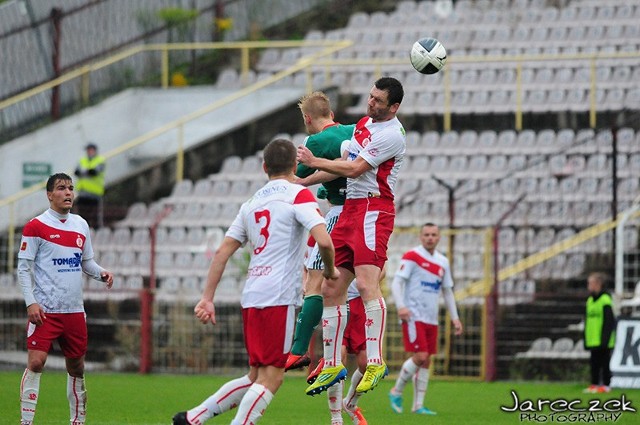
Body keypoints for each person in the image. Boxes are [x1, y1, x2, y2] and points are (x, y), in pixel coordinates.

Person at [172, 139, 338, 425]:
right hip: (278, 296)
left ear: (264, 167)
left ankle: (192, 418)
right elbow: (324, 239)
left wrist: (207, 298)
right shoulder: (298, 195)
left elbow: (223, 251)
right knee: (272, 378)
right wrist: (331, 270)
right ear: (294, 166)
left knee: (255, 375)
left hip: (252, 296)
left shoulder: (251, 203)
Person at [297, 77, 406, 396]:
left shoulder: (391, 135)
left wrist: (312, 161)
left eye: (378, 101)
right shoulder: (364, 124)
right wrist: (302, 181)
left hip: (374, 208)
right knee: (331, 286)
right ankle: (331, 363)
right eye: (370, 97)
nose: (370, 103)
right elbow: (342, 165)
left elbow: (357, 169)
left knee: (366, 283)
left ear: (394, 107)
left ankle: (376, 361)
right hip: (350, 210)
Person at [17, 172, 114, 425]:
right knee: (36, 362)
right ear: (50, 194)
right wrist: (31, 302)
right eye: (62, 188)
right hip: (45, 310)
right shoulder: (35, 226)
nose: (68, 192)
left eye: (71, 188)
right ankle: (26, 422)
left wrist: (101, 273)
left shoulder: (80, 224)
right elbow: (23, 268)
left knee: (77, 368)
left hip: (73, 311)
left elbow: (86, 262)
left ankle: (77, 421)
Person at [286, 91, 355, 371]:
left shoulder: (313, 142)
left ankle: (300, 350)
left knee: (315, 282)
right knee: (342, 289)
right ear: (333, 115)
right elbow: (344, 168)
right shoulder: (354, 130)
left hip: (340, 215)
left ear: (307, 118)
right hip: (365, 214)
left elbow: (293, 177)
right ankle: (332, 356)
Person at [388, 223, 463, 415]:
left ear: (439, 238)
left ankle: (418, 406)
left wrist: (455, 318)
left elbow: (447, 291)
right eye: (427, 234)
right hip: (413, 315)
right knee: (420, 356)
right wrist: (401, 306)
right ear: (421, 237)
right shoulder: (412, 256)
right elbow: (397, 282)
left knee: (427, 360)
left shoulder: (442, 261)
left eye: (434, 235)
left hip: (431, 318)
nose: (430, 237)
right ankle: (396, 391)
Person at [583, 272, 615, 394]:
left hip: (603, 338)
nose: (588, 286)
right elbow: (587, 320)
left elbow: (609, 320)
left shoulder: (605, 299)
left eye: (590, 283)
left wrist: (605, 338)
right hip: (592, 338)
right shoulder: (590, 300)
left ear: (598, 284)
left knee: (604, 362)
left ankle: (606, 384)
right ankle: (594, 383)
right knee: (594, 362)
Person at [74, 143, 106, 228]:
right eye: (88, 150)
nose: (89, 152)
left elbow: (94, 172)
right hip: (83, 193)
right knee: (82, 217)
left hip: (94, 193)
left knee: (95, 216)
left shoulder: (100, 160)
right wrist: (87, 171)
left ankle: (96, 233)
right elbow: (76, 172)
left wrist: (84, 172)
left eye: (91, 150)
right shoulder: (82, 160)